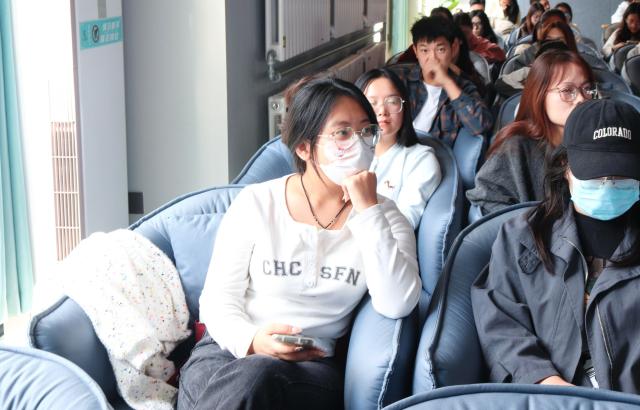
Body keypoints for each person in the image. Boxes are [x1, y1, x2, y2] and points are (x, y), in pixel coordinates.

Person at [177, 77, 422, 409]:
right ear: (304, 148)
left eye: (366, 131)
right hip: (228, 347)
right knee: (238, 380)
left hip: (309, 367)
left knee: (256, 376)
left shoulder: (385, 217)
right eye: (342, 133)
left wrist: (368, 211)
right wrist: (253, 341)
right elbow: (218, 300)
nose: (359, 144)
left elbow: (398, 303)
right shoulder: (257, 202)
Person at [471, 98, 640, 392]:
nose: (608, 184)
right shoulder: (522, 237)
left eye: (621, 174)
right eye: (595, 174)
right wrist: (547, 383)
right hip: (544, 395)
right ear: (565, 166)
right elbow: (500, 322)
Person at [467, 50, 596, 215]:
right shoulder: (516, 147)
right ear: (539, 95)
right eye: (567, 90)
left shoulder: (599, 139)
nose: (581, 99)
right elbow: (487, 199)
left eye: (587, 89)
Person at [355, 68, 442, 229]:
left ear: (404, 107)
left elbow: (404, 225)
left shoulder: (420, 160)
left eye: (392, 102)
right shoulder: (345, 153)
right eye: (371, 103)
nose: (382, 111)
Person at [390, 16, 493, 145]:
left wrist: (447, 83)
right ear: (415, 51)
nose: (433, 58)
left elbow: (481, 125)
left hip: (434, 154)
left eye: (440, 50)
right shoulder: (400, 79)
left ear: (453, 49)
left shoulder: (463, 87)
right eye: (424, 50)